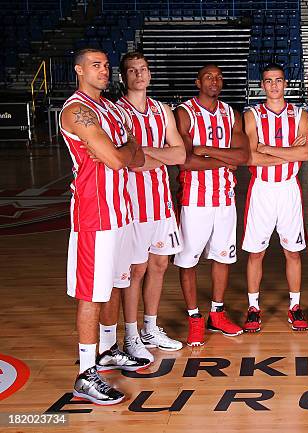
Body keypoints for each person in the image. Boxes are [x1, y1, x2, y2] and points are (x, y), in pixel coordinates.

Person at [60, 48, 149, 405]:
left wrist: (121, 149)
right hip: (94, 215)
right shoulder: (75, 110)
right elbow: (115, 159)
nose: (103, 70)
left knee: (115, 284)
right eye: (95, 65)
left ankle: (109, 349)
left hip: (121, 210)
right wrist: (120, 151)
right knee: (91, 293)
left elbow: (135, 154)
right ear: (79, 70)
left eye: (106, 65)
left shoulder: (110, 109)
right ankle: (85, 374)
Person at [116, 51, 186, 361]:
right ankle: (130, 335)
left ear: (149, 73)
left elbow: (180, 156)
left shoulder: (163, 110)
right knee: (136, 270)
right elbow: (129, 162)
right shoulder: (117, 112)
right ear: (124, 77)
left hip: (161, 202)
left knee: (159, 265)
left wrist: (145, 152)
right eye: (132, 71)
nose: (139, 75)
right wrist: (158, 155)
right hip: (132, 204)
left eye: (143, 69)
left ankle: (149, 328)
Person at [173, 64, 249, 346]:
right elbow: (185, 161)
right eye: (208, 77)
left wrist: (207, 151)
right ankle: (194, 318)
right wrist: (224, 159)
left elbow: (242, 157)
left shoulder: (232, 114)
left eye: (218, 77)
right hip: (194, 200)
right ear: (197, 81)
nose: (214, 81)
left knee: (223, 257)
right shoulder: (184, 112)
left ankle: (217, 314)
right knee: (188, 259)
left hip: (225, 198)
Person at [242, 63, 308, 332]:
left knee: (292, 252)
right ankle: (253, 307)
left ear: (285, 84)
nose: (273, 86)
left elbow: (305, 154)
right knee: (256, 253)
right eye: (268, 81)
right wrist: (286, 152)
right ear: (262, 85)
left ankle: (295, 306)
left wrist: (267, 148)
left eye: (278, 80)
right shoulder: (252, 115)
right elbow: (250, 155)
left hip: (288, 188)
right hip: (262, 189)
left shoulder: (300, 115)